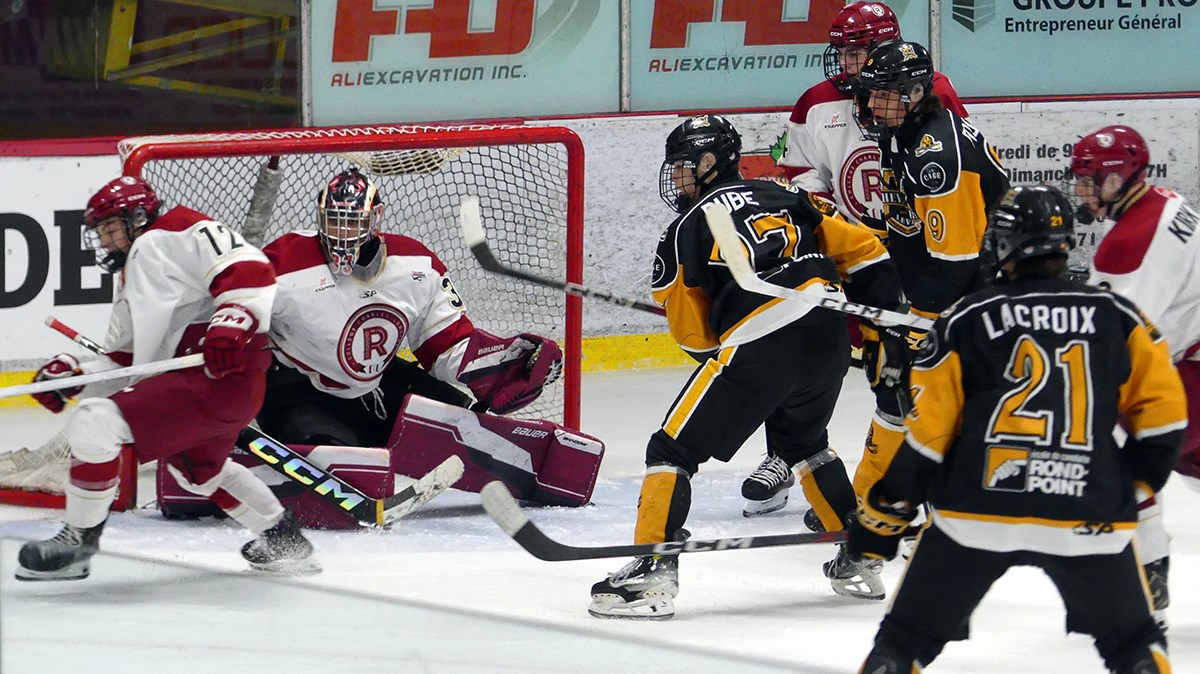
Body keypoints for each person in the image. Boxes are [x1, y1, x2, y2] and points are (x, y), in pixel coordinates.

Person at [848, 185, 1181, 674]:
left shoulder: (964, 318)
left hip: (975, 510)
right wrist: (1126, 486)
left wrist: (884, 515)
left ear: (1002, 243)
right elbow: (1165, 418)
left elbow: (928, 437)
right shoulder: (1119, 316)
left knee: (904, 641)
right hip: (1085, 508)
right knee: (1134, 645)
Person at [588, 114, 904, 619]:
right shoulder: (786, 196)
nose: (678, 178)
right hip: (827, 333)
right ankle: (860, 555)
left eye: (684, 167)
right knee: (803, 444)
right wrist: (881, 326)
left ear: (709, 163)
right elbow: (866, 250)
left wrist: (722, 329)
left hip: (761, 340)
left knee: (671, 448)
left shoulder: (686, 228)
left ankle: (652, 569)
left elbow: (694, 337)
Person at [17, 176, 317, 580]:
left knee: (96, 421)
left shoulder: (173, 231)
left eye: (110, 228)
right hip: (214, 385)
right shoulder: (131, 276)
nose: (104, 241)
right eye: (100, 231)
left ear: (138, 217)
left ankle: (79, 541)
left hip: (217, 372)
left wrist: (234, 317)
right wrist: (76, 376)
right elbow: (128, 359)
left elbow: (250, 267)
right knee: (199, 470)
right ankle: (284, 540)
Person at [746, 0, 971, 520]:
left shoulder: (932, 92)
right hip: (845, 254)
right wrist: (823, 215)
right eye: (844, 52)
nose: (850, 63)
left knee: (907, 368)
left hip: (911, 254)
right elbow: (797, 175)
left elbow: (950, 169)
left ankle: (906, 472)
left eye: (862, 51)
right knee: (800, 351)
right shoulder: (813, 104)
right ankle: (786, 455)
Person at [255, 168, 568, 491]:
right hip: (296, 391)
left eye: (352, 221)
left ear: (375, 219)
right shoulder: (284, 263)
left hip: (375, 388)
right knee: (345, 462)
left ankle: (533, 471)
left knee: (467, 421)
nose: (342, 233)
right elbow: (235, 320)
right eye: (334, 220)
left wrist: (504, 363)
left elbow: (447, 346)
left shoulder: (416, 266)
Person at [840, 39, 1009, 512]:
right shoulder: (902, 130)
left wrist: (911, 327)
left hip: (978, 295)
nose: (871, 103)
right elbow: (905, 224)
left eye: (882, 93)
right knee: (898, 394)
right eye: (869, 92)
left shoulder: (938, 158)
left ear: (914, 93)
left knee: (927, 399)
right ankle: (874, 497)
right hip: (941, 284)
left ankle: (939, 507)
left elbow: (957, 259)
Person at [1070, 123, 1200, 622]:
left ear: (1120, 178)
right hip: (1190, 355)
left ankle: (1150, 578)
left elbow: (1119, 349)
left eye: (1092, 179)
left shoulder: (1127, 244)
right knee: (1188, 466)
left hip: (1190, 369)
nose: (1082, 190)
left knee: (1123, 466)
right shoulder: (1162, 199)